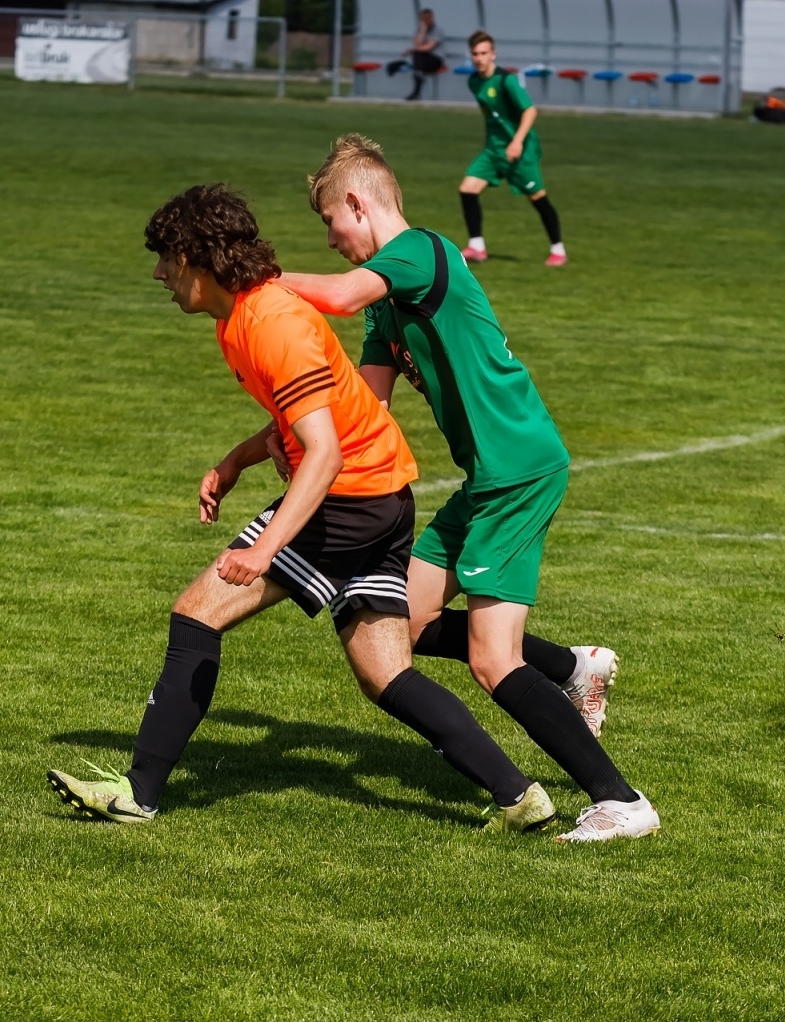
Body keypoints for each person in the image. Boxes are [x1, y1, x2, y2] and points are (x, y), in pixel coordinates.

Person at [47, 184, 559, 835]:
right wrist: (236, 460)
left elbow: (322, 455)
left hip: (347, 499)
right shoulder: (244, 319)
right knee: (384, 672)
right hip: (386, 497)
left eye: (166, 258)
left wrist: (264, 549)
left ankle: (138, 792)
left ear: (200, 259)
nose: (158, 273)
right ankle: (519, 796)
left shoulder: (271, 323)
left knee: (197, 611)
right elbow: (308, 420)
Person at [278, 135, 659, 842]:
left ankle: (621, 799)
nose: (330, 241)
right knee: (408, 623)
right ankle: (576, 667)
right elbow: (369, 409)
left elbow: (329, 295)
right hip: (486, 480)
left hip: (516, 468)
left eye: (331, 223)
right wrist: (290, 439)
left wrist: (258, 281)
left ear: (358, 203)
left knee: (491, 659)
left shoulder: (420, 253)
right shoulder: (385, 305)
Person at [458, 31, 566, 266]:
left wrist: (516, 141)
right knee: (468, 189)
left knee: (537, 198)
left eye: (484, 53)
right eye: (475, 54)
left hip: (519, 152)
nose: (479, 58)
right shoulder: (474, 81)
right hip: (494, 151)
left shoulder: (507, 80)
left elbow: (530, 110)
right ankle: (477, 246)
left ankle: (558, 249)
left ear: (493, 54)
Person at [386, 8, 444, 101]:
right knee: (417, 57)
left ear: (432, 18)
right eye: (423, 19)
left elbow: (429, 47)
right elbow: (417, 44)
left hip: (435, 59)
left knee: (416, 54)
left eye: (428, 18)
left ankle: (405, 68)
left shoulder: (437, 31)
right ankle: (417, 87)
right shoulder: (419, 30)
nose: (426, 21)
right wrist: (423, 30)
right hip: (422, 60)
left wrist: (412, 49)